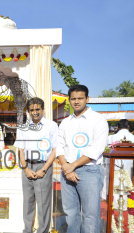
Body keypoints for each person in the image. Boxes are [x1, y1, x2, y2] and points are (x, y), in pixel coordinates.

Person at [57, 85, 108, 233]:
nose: (76, 102)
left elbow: (96, 149)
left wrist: (71, 166)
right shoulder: (66, 122)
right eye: (73, 99)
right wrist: (66, 167)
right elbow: (59, 146)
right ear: (69, 100)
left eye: (80, 98)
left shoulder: (98, 120)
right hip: (67, 171)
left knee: (90, 216)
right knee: (71, 214)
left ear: (87, 99)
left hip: (90, 171)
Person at [14, 97, 58, 233]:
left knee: (43, 203)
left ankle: (43, 231)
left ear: (43, 110)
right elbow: (20, 149)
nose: (35, 112)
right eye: (31, 110)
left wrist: (44, 170)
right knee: (28, 203)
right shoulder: (23, 127)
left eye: (37, 109)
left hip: (44, 166)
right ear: (28, 111)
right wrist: (25, 168)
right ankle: (27, 230)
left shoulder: (51, 126)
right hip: (27, 167)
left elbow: (55, 150)